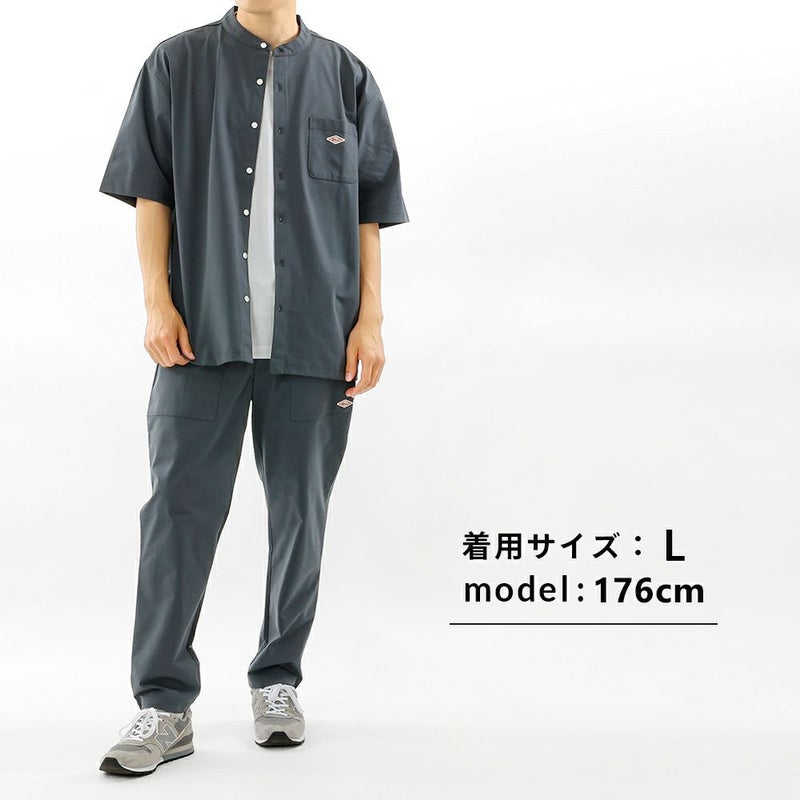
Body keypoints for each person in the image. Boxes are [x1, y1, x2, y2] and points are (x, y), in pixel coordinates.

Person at [96, 1, 409, 776]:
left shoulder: (346, 75)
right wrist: (157, 302)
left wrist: (370, 320)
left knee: (301, 511)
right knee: (178, 512)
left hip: (317, 335)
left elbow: (369, 211)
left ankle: (277, 681)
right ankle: (164, 703)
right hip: (201, 333)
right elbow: (151, 191)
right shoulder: (177, 63)